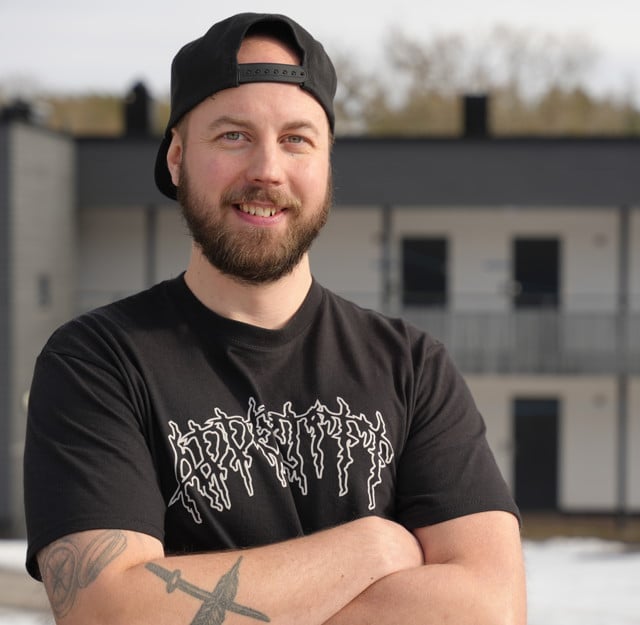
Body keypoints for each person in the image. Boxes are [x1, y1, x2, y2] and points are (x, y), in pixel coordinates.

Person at [23, 12, 526, 625]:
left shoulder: (412, 367)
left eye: (296, 139)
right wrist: (369, 549)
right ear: (177, 158)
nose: (267, 169)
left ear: (326, 162)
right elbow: (110, 614)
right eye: (234, 135)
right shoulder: (97, 363)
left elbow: (492, 609)